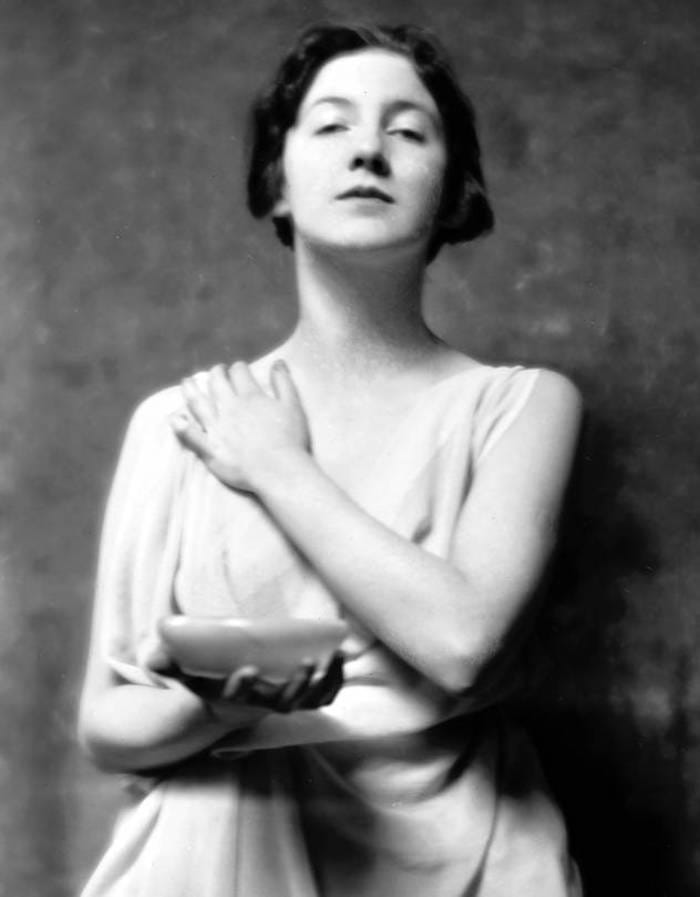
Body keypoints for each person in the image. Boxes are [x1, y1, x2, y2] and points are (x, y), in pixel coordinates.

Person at [78, 22, 584, 897]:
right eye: (332, 124)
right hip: (218, 856)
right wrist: (228, 703)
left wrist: (279, 465)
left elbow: (463, 643)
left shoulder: (523, 404)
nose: (368, 151)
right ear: (278, 180)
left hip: (468, 856)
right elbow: (107, 723)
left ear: (452, 192)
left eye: (408, 131)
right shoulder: (180, 423)